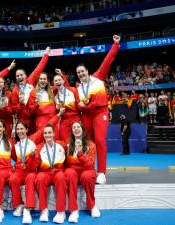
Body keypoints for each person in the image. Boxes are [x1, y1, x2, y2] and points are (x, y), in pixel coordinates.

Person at [76, 35, 120, 184]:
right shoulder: (78, 89)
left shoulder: (98, 77)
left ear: (87, 71)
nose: (81, 74)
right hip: (87, 115)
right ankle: (89, 169)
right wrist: (80, 106)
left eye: (82, 71)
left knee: (100, 140)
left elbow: (108, 60)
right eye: (78, 73)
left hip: (100, 112)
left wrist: (115, 44)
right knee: (87, 142)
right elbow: (78, 104)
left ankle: (101, 172)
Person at [9, 110, 64, 224]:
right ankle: (19, 204)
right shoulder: (15, 145)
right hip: (20, 171)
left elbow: (46, 126)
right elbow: (15, 158)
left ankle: (28, 210)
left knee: (30, 179)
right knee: (13, 179)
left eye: (22, 129)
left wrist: (58, 115)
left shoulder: (33, 139)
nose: (20, 131)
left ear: (27, 130)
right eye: (18, 129)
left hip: (31, 171)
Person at [28, 123, 67, 223]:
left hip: (58, 171)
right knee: (40, 178)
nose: (47, 135)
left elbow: (68, 159)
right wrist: (32, 156)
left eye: (49, 133)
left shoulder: (62, 145)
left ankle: (61, 211)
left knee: (61, 177)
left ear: (54, 134)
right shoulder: (39, 147)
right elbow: (34, 166)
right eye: (45, 133)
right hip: (45, 172)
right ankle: (44, 210)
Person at [65, 122, 100, 223]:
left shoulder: (91, 144)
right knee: (69, 173)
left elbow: (90, 163)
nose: (76, 129)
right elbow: (66, 161)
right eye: (73, 127)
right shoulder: (68, 143)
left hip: (87, 169)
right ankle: (73, 210)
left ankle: (92, 205)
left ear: (83, 129)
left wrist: (80, 154)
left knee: (87, 176)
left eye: (78, 127)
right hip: (73, 169)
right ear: (72, 131)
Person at [11, 47, 51, 131]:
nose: (19, 77)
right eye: (17, 76)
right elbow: (14, 109)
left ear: (25, 75)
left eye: (21, 75)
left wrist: (46, 54)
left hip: (34, 117)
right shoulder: (14, 91)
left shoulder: (31, 81)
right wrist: (20, 104)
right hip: (22, 121)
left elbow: (39, 68)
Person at [53, 73, 81, 142]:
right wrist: (57, 108)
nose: (58, 82)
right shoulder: (55, 95)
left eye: (59, 80)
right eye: (56, 81)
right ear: (54, 83)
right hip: (64, 121)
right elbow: (56, 112)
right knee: (65, 142)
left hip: (75, 118)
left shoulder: (73, 90)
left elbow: (79, 105)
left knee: (78, 141)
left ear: (63, 81)